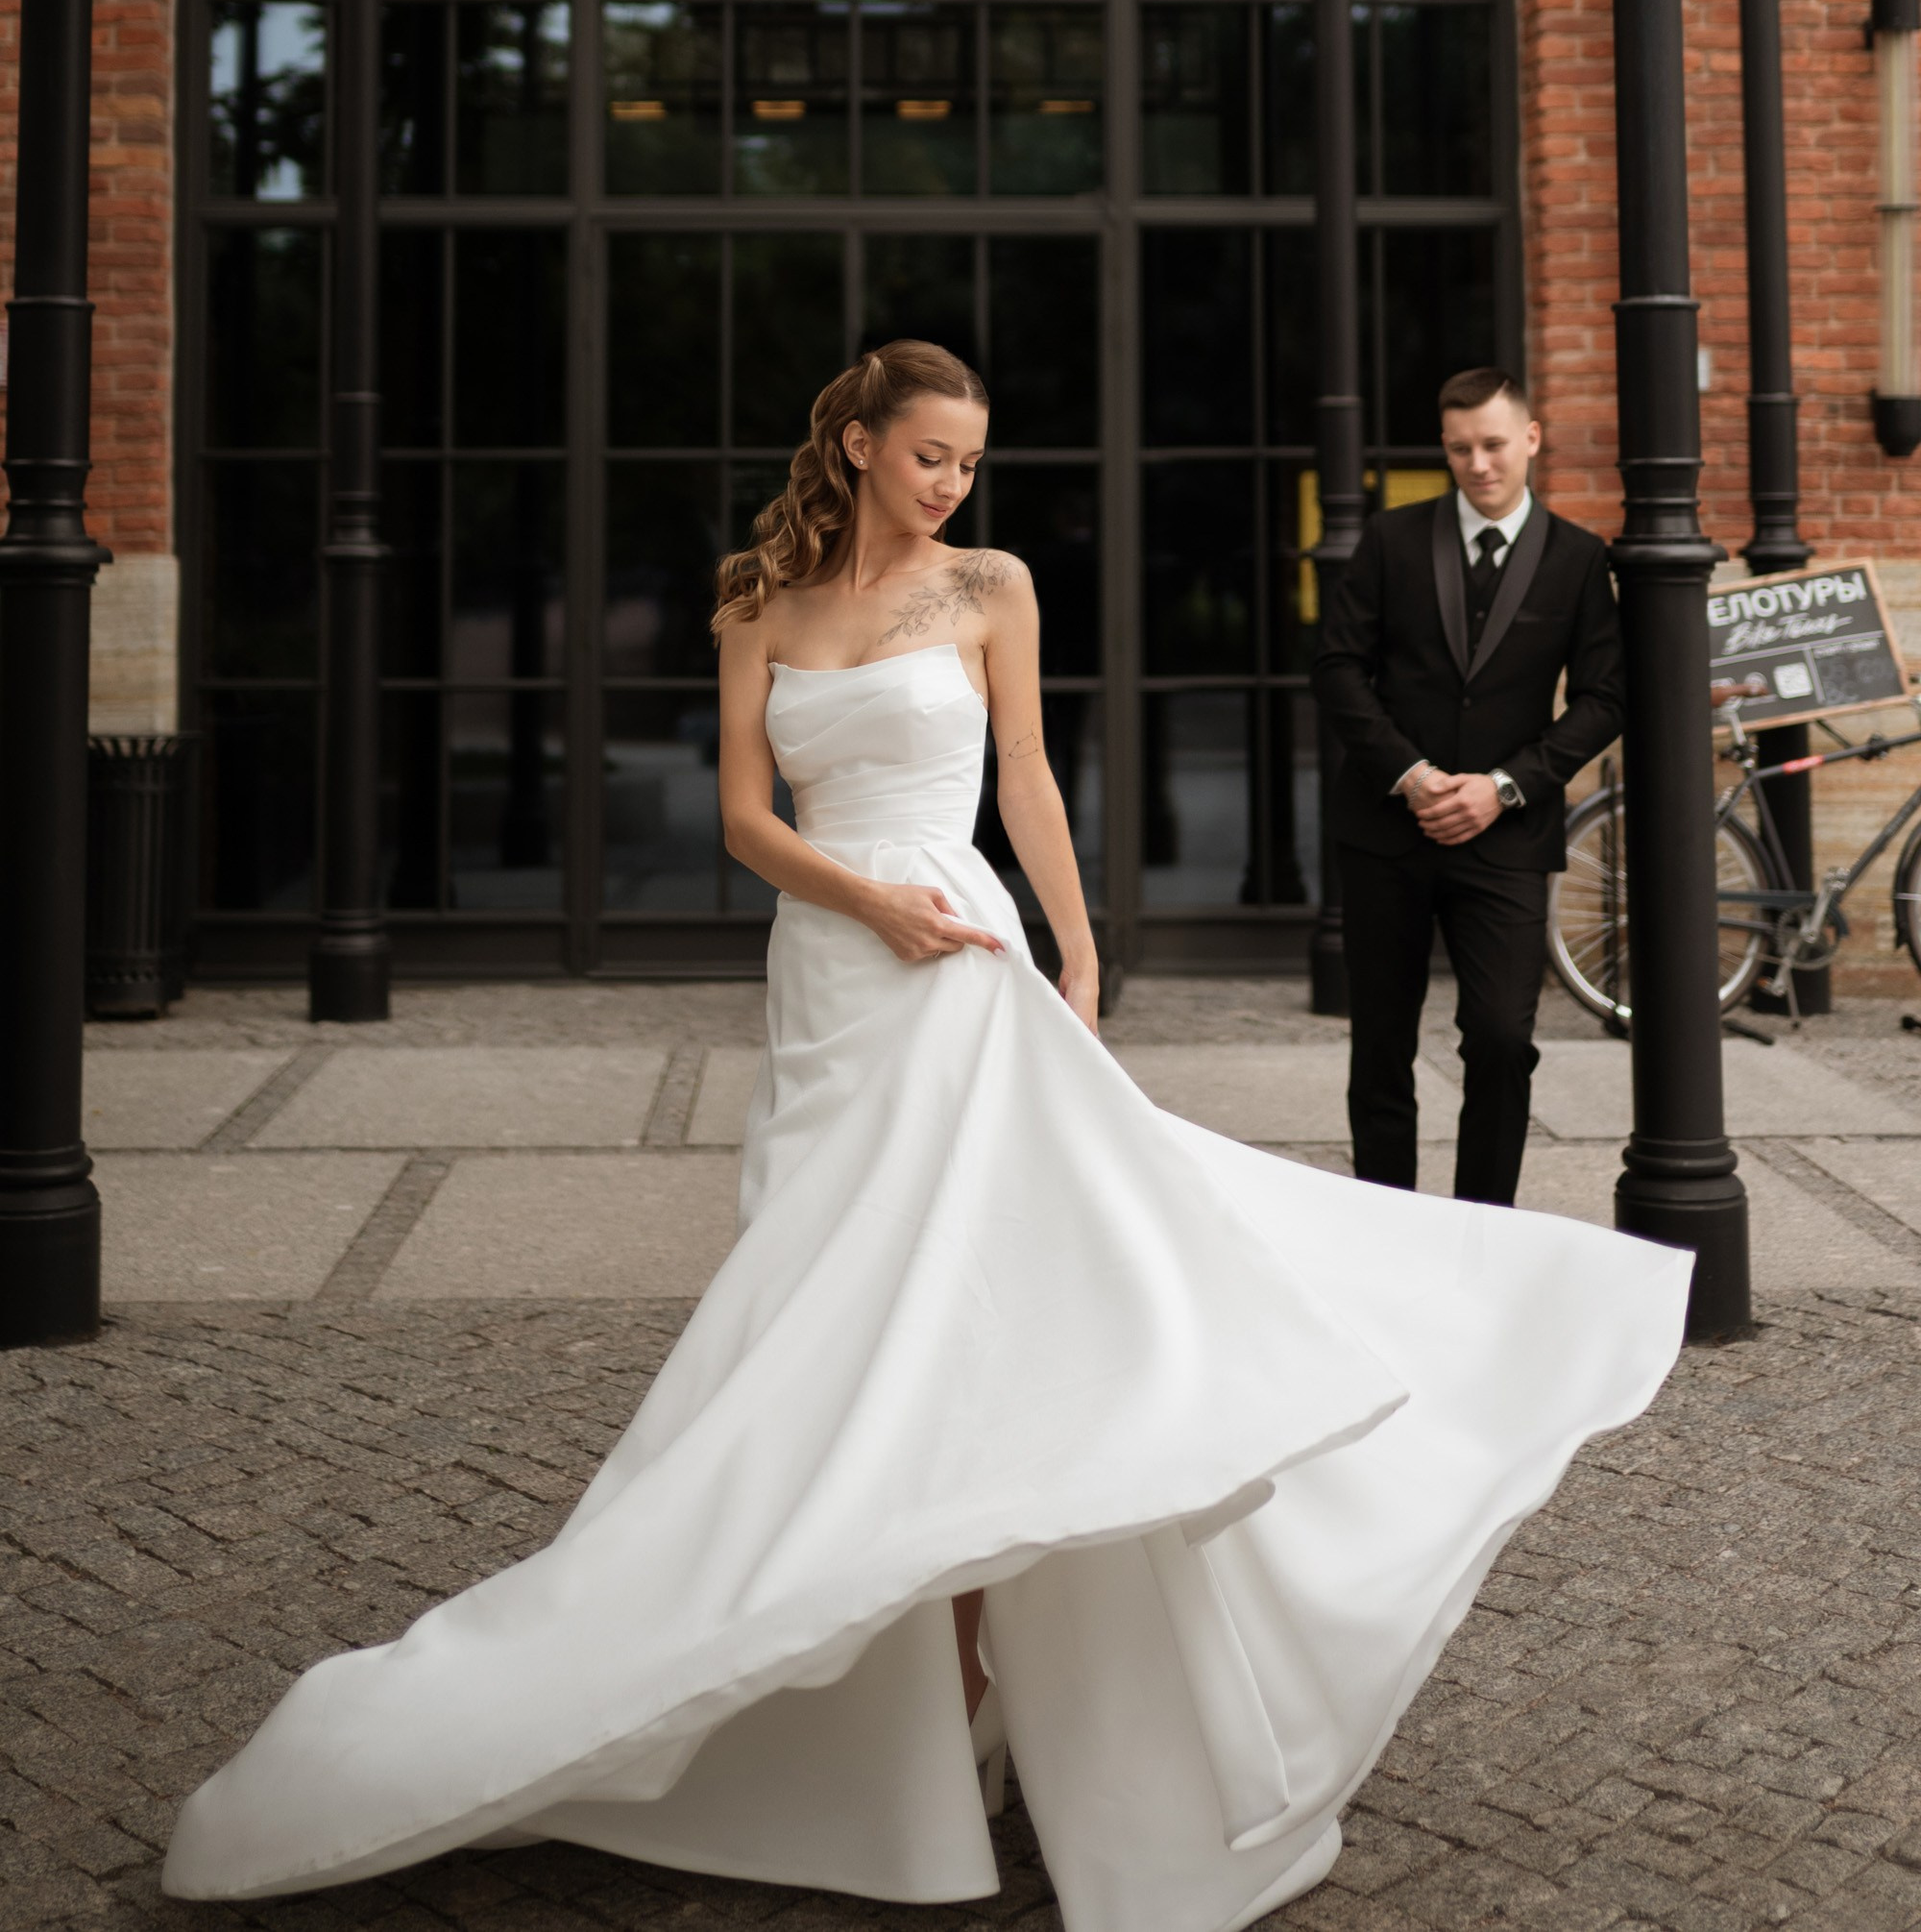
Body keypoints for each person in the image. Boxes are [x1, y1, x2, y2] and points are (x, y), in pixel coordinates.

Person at [166, 339, 1685, 1931]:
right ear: (860, 444)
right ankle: (873, 1686)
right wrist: (862, 898)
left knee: (983, 1320)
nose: (953, 483)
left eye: (969, 460)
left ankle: (971, 1694)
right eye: (929, 455)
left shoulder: (991, 588)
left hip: (963, 960)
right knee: (828, 1328)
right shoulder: (755, 598)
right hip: (832, 973)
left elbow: (1024, 777)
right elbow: (748, 819)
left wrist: (1079, 954)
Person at [1313, 367, 1626, 1209]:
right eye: (1460, 449)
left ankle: (1485, 1228)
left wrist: (1506, 787)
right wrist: (1411, 775)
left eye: (1493, 444)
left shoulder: (1578, 558)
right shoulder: (1391, 538)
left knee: (1500, 1038)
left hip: (1507, 838)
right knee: (1381, 1044)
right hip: (1385, 832)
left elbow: (1605, 698)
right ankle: (1388, 1222)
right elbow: (1338, 669)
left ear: (1531, 438)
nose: (1478, 464)